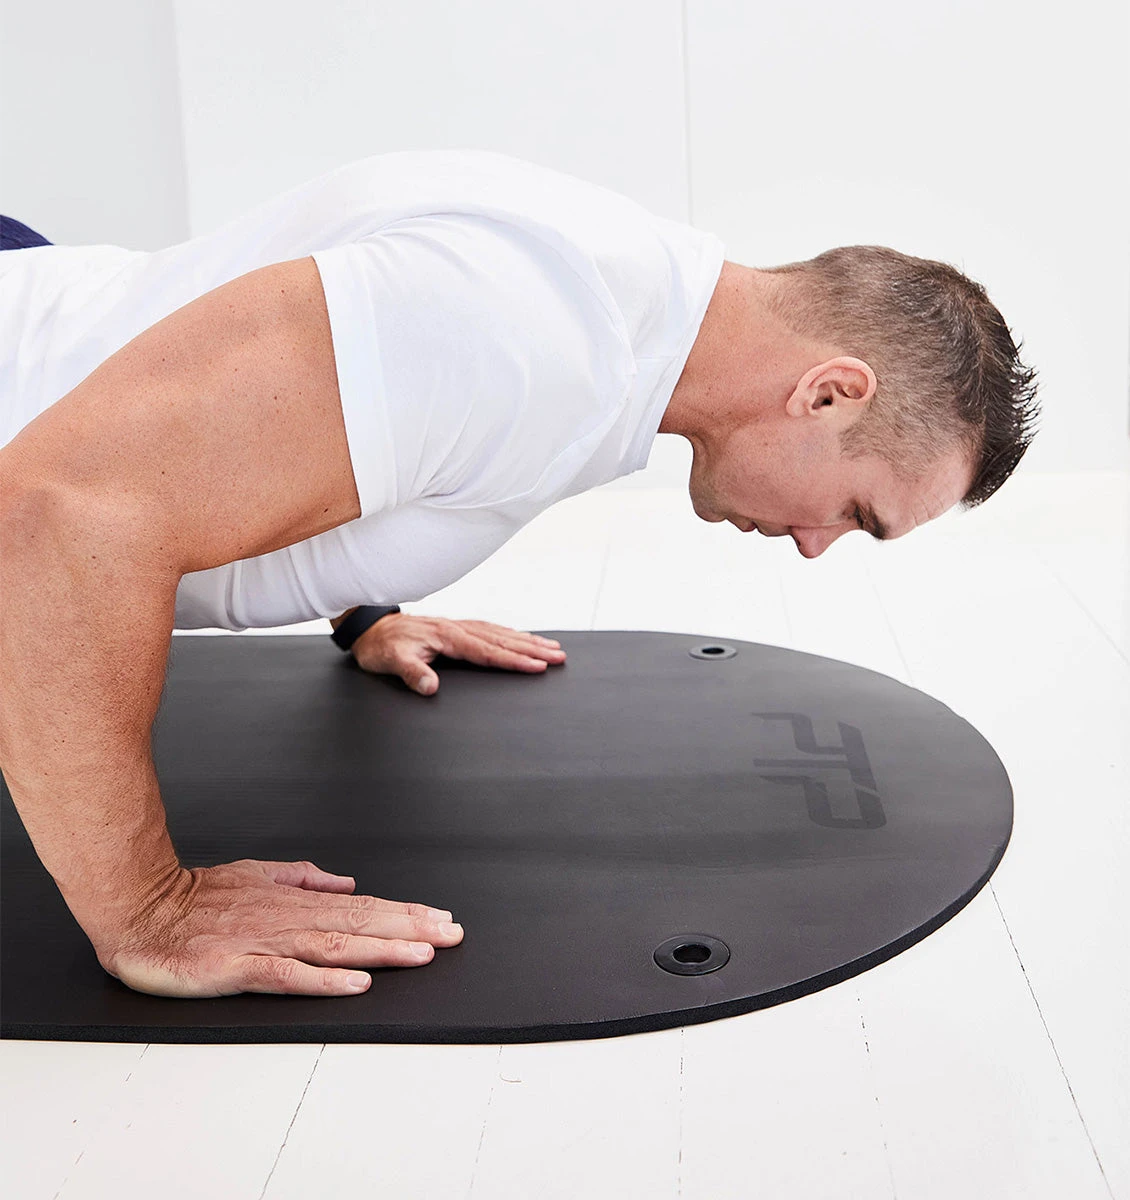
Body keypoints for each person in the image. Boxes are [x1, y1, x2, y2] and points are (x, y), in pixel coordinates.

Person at [0, 149, 1038, 1001]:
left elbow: (273, 420)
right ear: (829, 394)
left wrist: (357, 597)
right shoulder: (534, 330)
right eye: (856, 513)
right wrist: (147, 905)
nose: (818, 545)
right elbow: (51, 519)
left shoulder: (605, 307)